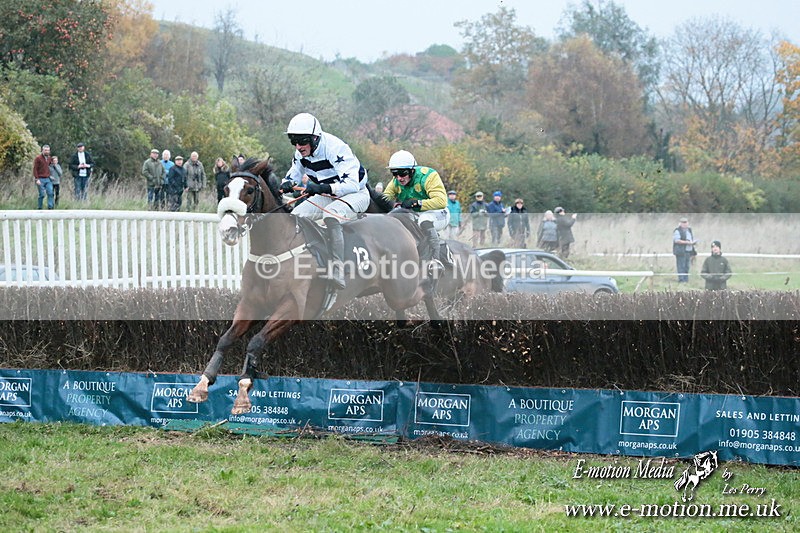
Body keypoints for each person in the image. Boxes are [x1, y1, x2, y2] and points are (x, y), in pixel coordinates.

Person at [278, 112, 370, 290]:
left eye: (302, 141)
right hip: (328, 194)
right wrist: (286, 184)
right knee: (294, 217)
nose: (298, 146)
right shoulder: (300, 153)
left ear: (315, 138)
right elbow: (293, 174)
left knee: (332, 216)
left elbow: (351, 184)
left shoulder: (336, 148)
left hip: (356, 193)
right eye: (293, 141)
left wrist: (322, 188)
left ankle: (338, 269)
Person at [383, 150, 449, 273]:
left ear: (412, 170)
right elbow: (384, 199)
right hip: (416, 214)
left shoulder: (428, 176)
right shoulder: (396, 181)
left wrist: (417, 203)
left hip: (438, 212)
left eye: (402, 173)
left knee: (424, 220)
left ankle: (436, 260)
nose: (399, 178)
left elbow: (441, 201)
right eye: (394, 173)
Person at [672, 216, 698, 283]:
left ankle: (686, 280)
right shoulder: (677, 231)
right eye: (683, 222)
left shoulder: (689, 230)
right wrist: (687, 242)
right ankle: (681, 280)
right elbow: (677, 241)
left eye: (686, 222)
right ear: (680, 223)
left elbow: (690, 239)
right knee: (681, 266)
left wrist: (693, 243)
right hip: (681, 251)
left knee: (687, 266)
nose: (685, 224)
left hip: (688, 251)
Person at [33, 145, 54, 210]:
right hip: (40, 178)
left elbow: (50, 167)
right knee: (42, 194)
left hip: (48, 178)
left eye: (48, 150)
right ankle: (40, 208)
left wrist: (51, 175)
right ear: (42, 150)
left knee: (50, 192)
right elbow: (35, 169)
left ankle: (50, 207)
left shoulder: (49, 158)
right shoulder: (38, 158)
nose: (47, 152)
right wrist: (37, 179)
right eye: (45, 150)